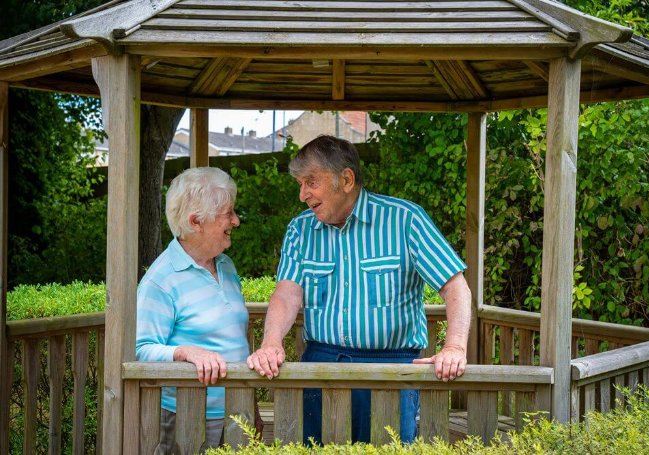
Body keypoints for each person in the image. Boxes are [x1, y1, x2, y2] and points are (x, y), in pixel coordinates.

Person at [246, 135, 472, 443]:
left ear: (347, 179)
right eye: (300, 184)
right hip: (321, 365)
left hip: (392, 368)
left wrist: (455, 348)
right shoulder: (300, 229)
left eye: (311, 182)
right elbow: (287, 293)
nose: (302, 195)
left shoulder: (405, 220)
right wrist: (271, 343)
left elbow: (454, 286)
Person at [136, 167, 261, 454]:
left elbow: (236, 342)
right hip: (187, 416)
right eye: (228, 213)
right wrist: (185, 352)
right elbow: (141, 350)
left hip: (236, 411)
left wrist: (250, 404)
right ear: (196, 222)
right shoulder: (161, 279)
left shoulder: (226, 266)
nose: (236, 220)